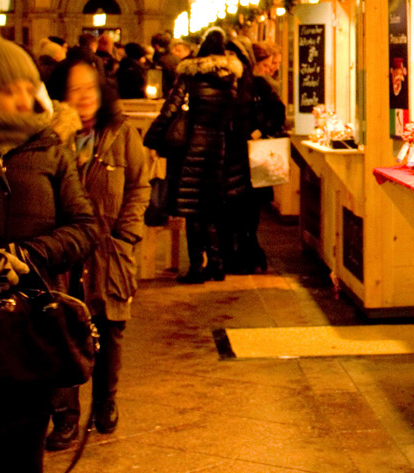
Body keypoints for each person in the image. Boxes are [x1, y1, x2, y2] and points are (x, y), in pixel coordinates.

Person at [0, 17, 99, 473]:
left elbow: (83, 225)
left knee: (23, 461)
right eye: (9, 88)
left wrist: (25, 256)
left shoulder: (48, 148)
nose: (24, 98)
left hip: (30, 340)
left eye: (28, 85)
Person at [43, 56, 151, 449]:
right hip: (65, 250)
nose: (84, 96)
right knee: (62, 331)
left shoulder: (121, 133)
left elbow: (140, 184)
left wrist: (127, 233)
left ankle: (106, 401)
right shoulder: (50, 136)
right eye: (74, 89)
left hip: (110, 249)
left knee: (111, 328)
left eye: (89, 87)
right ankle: (66, 416)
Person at [153, 28, 251, 283]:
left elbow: (171, 107)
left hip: (193, 146)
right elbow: (239, 114)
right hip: (221, 147)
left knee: (193, 208)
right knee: (215, 207)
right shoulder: (232, 76)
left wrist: (153, 136)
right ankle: (217, 263)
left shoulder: (189, 75)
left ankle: (197, 265)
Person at [224, 41, 287, 274]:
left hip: (251, 156)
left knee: (248, 210)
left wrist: (259, 131)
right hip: (230, 155)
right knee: (232, 209)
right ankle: (239, 256)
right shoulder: (223, 83)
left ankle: (249, 256)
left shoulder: (256, 84)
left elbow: (277, 113)